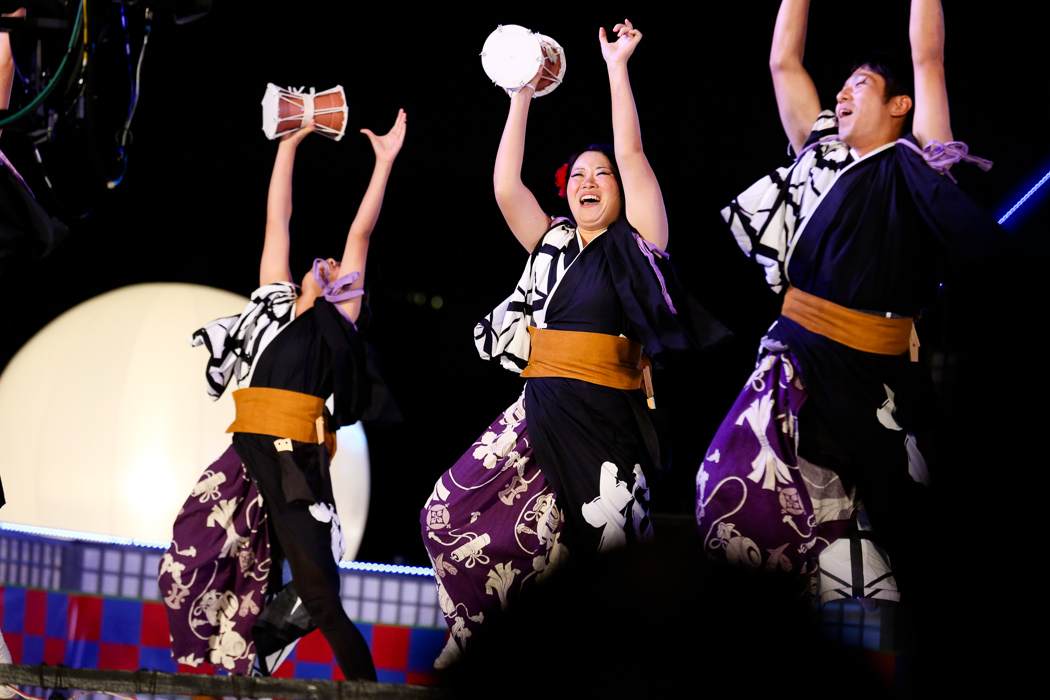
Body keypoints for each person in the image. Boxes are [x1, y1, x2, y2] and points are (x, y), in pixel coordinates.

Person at [421, 20, 726, 662]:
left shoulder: (640, 242)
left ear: (620, 189)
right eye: (579, 174)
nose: (588, 181)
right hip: (537, 409)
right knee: (446, 517)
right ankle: (488, 648)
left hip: (606, 422)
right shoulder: (553, 242)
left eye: (603, 175)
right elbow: (507, 188)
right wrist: (520, 95)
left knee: (612, 577)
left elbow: (635, 153)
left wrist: (616, 67)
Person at [695, 0, 994, 603]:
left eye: (861, 83)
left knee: (901, 525)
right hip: (798, 358)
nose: (842, 93)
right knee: (726, 489)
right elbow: (784, 60)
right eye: (842, 86)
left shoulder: (916, 160)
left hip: (875, 376)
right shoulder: (820, 157)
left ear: (899, 105)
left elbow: (926, 55)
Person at [160, 110, 406, 681]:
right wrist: (291, 143)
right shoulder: (273, 308)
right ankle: (218, 670)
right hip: (245, 451)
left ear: (348, 293)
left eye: (342, 268)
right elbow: (279, 215)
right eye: (328, 261)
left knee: (319, 599)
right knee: (184, 561)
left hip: (293, 459)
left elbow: (362, 233)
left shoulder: (335, 323)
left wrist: (385, 162)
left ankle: (364, 688)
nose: (332, 261)